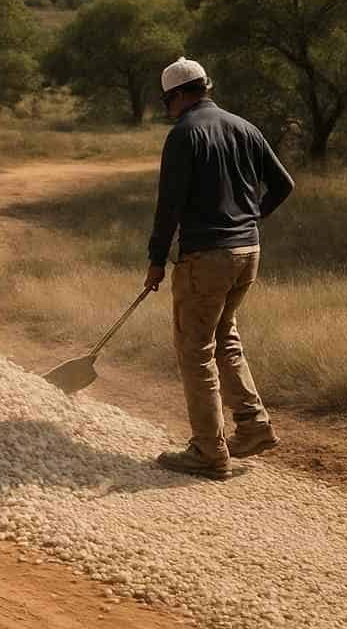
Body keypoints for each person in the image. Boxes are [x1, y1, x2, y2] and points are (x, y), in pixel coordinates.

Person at [144, 57, 294, 480]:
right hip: (248, 252)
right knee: (223, 333)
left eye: (167, 101)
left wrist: (156, 260)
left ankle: (208, 452)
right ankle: (253, 425)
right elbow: (284, 185)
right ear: (205, 86)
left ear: (176, 96)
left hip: (207, 258)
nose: (168, 109)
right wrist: (251, 219)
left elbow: (168, 206)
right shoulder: (244, 127)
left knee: (195, 350)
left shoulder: (183, 135)